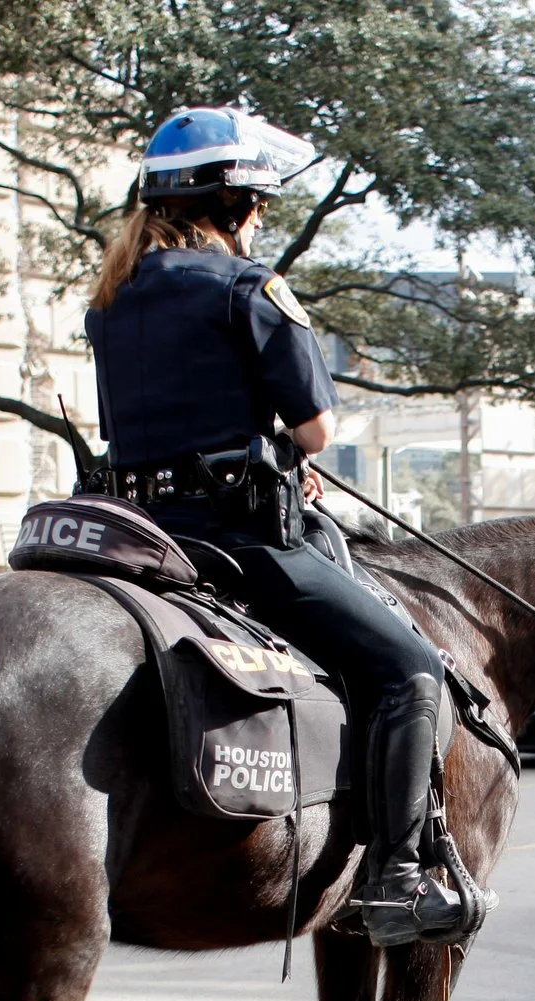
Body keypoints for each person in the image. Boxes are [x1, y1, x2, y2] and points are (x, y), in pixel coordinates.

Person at [85, 107, 476, 946]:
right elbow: (316, 430)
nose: (259, 221)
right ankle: (398, 877)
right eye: (257, 206)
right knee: (410, 668)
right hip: (237, 541)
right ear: (231, 205)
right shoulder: (247, 288)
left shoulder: (109, 303)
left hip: (136, 534)